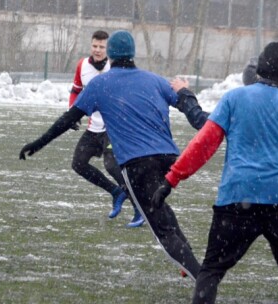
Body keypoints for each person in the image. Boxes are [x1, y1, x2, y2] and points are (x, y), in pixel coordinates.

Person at [153, 41, 278, 304]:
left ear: (262, 66)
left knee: (211, 271)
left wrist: (171, 179)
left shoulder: (234, 99)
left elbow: (203, 145)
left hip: (237, 203)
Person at [20, 30, 202, 279]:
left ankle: (202, 279)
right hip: (170, 160)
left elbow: (68, 119)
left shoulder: (100, 85)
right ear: (133, 53)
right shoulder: (155, 80)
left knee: (162, 228)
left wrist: (38, 143)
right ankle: (188, 258)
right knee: (162, 210)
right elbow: (185, 104)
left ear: (111, 55)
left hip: (138, 163)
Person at [68, 30, 144, 228]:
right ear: (91, 46)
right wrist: (72, 112)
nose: (98, 50)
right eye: (95, 46)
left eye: (102, 47)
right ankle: (116, 191)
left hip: (114, 129)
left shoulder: (116, 67)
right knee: (78, 163)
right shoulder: (82, 66)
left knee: (113, 166)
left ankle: (140, 208)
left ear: (108, 49)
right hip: (94, 128)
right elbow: (76, 91)